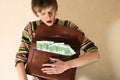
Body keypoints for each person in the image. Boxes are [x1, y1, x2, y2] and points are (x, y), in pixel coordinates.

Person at [15, 0, 100, 80]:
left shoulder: (69, 27)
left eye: (50, 11)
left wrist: (66, 65)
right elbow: (20, 60)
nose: (48, 17)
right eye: (42, 13)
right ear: (36, 13)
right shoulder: (31, 28)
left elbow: (94, 54)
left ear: (56, 9)